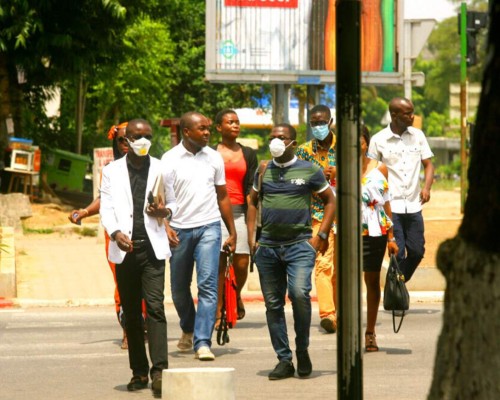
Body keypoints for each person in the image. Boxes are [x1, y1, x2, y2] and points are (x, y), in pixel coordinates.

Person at [247, 123, 335, 380]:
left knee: (299, 294)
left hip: (300, 245)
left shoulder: (309, 170)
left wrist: (320, 235)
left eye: (281, 137)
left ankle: (303, 349)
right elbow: (252, 202)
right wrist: (253, 238)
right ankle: (284, 359)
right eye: (273, 137)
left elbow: (331, 200)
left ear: (292, 143)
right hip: (268, 247)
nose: (275, 141)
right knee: (273, 304)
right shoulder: (263, 170)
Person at [100, 119, 176, 396]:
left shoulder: (160, 167)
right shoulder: (112, 171)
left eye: (147, 136)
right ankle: (138, 372)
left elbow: (174, 202)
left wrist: (165, 213)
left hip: (152, 250)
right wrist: (116, 232)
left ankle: (159, 372)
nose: (143, 141)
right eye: (137, 137)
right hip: (125, 250)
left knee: (155, 308)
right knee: (131, 313)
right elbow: (106, 208)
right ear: (126, 141)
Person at [162, 111, 236, 361]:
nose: (207, 133)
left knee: (207, 285)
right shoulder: (169, 159)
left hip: (209, 227)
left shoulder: (214, 157)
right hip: (179, 230)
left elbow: (222, 196)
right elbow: (162, 200)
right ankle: (189, 327)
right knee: (178, 289)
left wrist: (232, 230)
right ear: (186, 132)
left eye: (208, 129)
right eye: (202, 129)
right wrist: (166, 226)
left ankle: (202, 342)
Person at [69, 122, 148, 350]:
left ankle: (145, 325)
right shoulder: (111, 170)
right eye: (121, 140)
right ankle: (128, 330)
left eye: (130, 139)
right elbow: (103, 199)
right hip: (116, 235)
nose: (126, 144)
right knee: (122, 282)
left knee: (147, 282)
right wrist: (84, 212)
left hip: (145, 234)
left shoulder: (152, 167)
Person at [368, 97, 434, 282]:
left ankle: (395, 282)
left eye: (412, 112)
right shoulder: (378, 140)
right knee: (397, 252)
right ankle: (397, 295)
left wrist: (427, 188)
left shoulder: (418, 136)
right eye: (407, 113)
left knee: (417, 251)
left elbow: (428, 165)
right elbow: (371, 170)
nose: (412, 116)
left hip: (414, 204)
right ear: (394, 115)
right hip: (391, 206)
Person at [296, 104, 338, 334]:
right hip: (317, 215)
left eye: (322, 122)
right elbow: (297, 181)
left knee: (340, 268)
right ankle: (327, 314)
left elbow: (361, 174)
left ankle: (339, 311)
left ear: (330, 121)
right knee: (323, 264)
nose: (318, 126)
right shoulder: (303, 151)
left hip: (346, 215)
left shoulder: (345, 147)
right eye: (314, 123)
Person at [213, 109, 257, 326]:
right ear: (219, 127)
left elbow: (251, 188)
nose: (235, 125)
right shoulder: (210, 152)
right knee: (219, 263)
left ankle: (235, 294)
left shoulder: (248, 154)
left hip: (240, 211)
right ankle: (219, 310)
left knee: (242, 261)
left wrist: (253, 224)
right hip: (215, 212)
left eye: (237, 122)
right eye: (230, 122)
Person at [360, 126, 399, 352]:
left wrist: (391, 237)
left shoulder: (380, 168)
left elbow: (386, 203)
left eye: (360, 141)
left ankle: (370, 332)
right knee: (343, 282)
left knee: (372, 281)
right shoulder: (338, 170)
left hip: (375, 231)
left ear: (367, 143)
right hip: (346, 232)